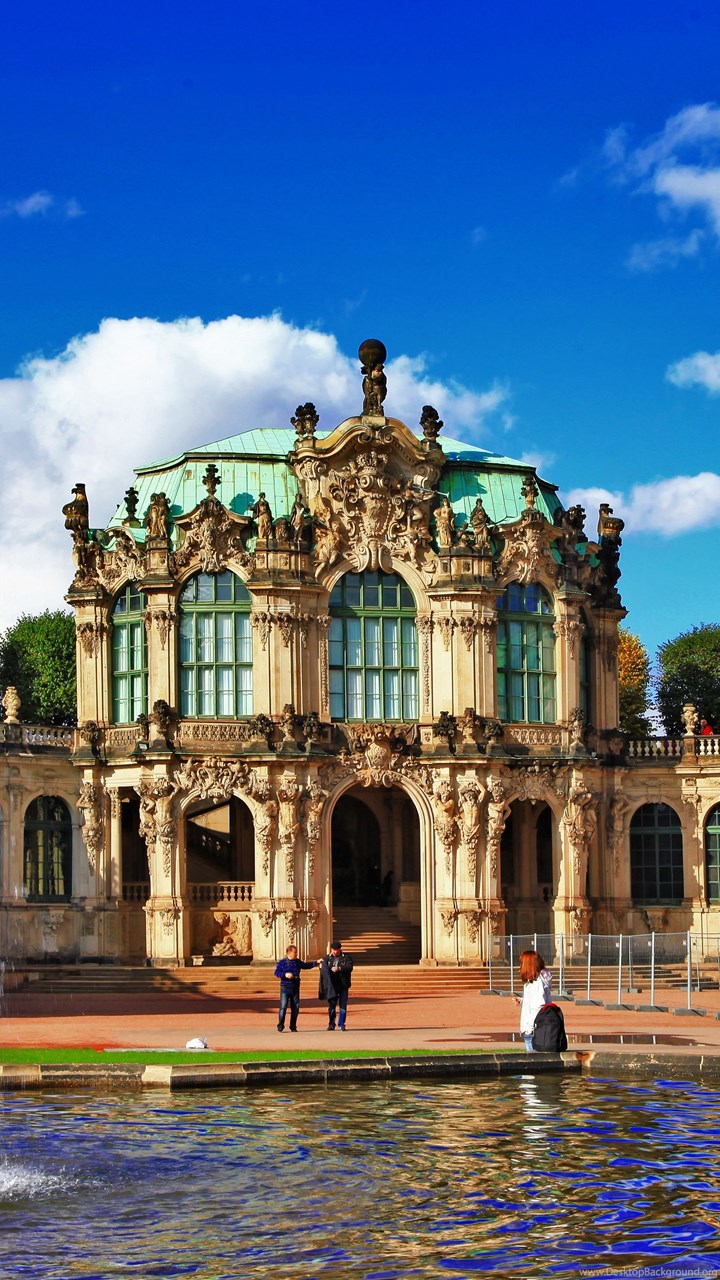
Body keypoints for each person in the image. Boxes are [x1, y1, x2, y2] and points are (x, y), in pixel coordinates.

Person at [274, 944, 319, 1032]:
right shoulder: (282, 962)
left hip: (295, 988)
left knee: (295, 1008)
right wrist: (285, 974)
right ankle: (280, 1025)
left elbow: (306, 965)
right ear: (289, 953)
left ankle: (293, 1026)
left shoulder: (297, 962)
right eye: (295, 952)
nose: (296, 954)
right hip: (285, 987)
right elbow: (276, 973)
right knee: (283, 1007)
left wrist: (316, 963)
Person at [513, 950, 552, 1052]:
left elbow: (538, 1006)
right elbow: (536, 1001)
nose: (520, 966)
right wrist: (522, 1001)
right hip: (537, 1029)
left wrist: (529, 1029)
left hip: (533, 1031)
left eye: (522, 963)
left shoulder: (536, 983)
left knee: (533, 1058)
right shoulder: (535, 981)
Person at [318, 940, 354, 1031]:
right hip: (332, 986)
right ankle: (331, 1024)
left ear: (340, 949)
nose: (334, 952)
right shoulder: (327, 958)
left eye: (336, 950)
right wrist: (320, 967)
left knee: (343, 1006)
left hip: (343, 985)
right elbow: (324, 970)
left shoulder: (346, 957)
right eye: (333, 950)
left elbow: (349, 967)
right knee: (332, 1006)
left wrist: (339, 968)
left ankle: (342, 1024)